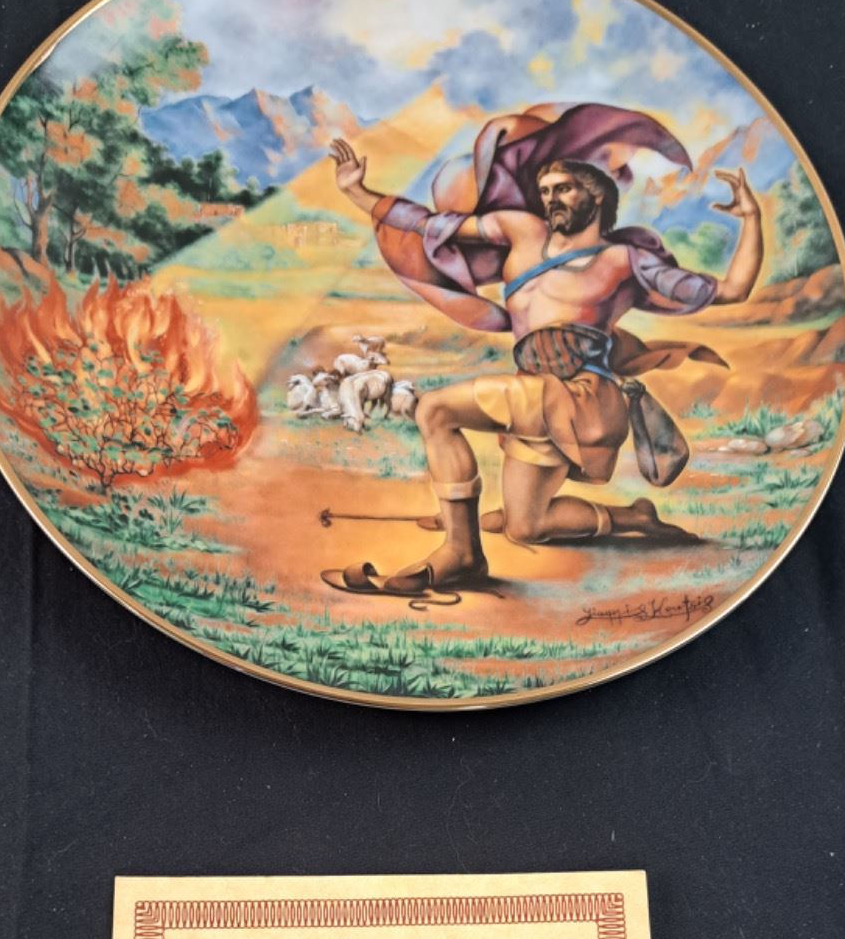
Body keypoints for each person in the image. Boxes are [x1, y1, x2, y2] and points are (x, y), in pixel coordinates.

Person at [323, 108, 763, 600]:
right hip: (533, 395)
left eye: (564, 189)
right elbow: (429, 225)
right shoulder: (521, 231)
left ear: (596, 195)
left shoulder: (624, 260)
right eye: (546, 190)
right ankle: (632, 517)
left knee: (435, 410)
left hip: (583, 399)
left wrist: (752, 218)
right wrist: (358, 193)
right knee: (526, 527)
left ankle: (462, 554)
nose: (551, 198)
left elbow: (732, 291)